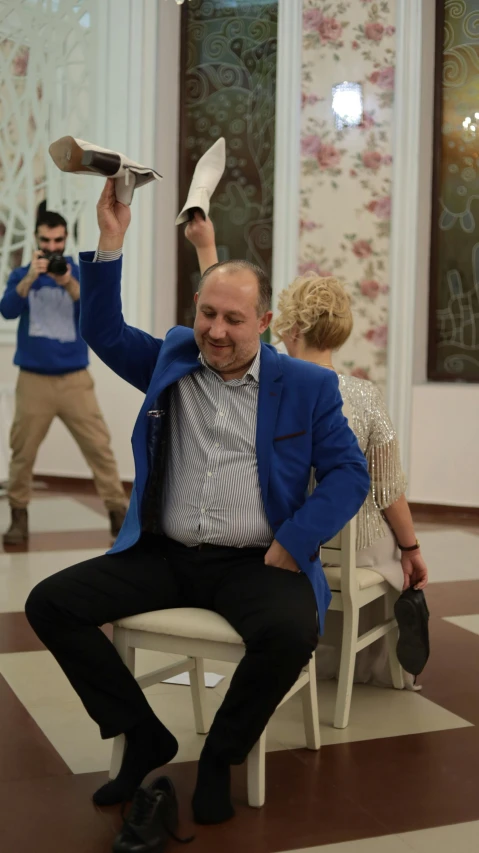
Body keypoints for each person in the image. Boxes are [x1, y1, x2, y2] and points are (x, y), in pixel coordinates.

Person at [25, 179, 370, 826]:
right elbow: (101, 329)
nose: (214, 330)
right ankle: (142, 733)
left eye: (233, 319)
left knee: (292, 631)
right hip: (164, 552)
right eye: (206, 312)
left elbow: (351, 474)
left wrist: (295, 540)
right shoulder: (173, 357)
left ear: (265, 323)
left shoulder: (306, 385)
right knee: (50, 603)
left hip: (254, 562)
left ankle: (219, 757)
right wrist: (111, 236)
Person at [185, 217, 429, 686]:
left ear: (286, 327)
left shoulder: (264, 382)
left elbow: (223, 311)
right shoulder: (363, 395)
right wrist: (411, 547)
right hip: (343, 550)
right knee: (384, 539)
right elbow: (387, 488)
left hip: (277, 541)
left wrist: (206, 246)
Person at [0, 208, 128, 544]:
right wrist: (30, 276)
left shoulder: (77, 271)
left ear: (66, 239)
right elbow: (8, 309)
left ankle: (119, 514)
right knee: (22, 453)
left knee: (99, 448)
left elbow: (93, 309)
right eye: (46, 240)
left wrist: (67, 280)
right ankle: (18, 516)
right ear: (37, 240)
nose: (53, 247)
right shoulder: (22, 273)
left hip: (74, 379)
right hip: (33, 380)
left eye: (58, 240)